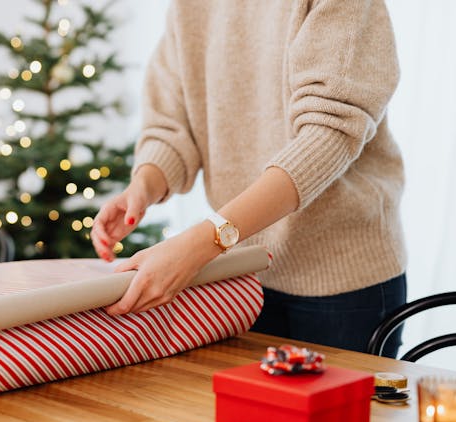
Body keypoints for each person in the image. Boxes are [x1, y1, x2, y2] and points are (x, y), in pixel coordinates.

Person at [91, 0, 406, 358]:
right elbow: (171, 124)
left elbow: (329, 135)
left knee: (336, 415)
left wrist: (203, 243)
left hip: (343, 286)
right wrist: (142, 188)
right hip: (244, 278)